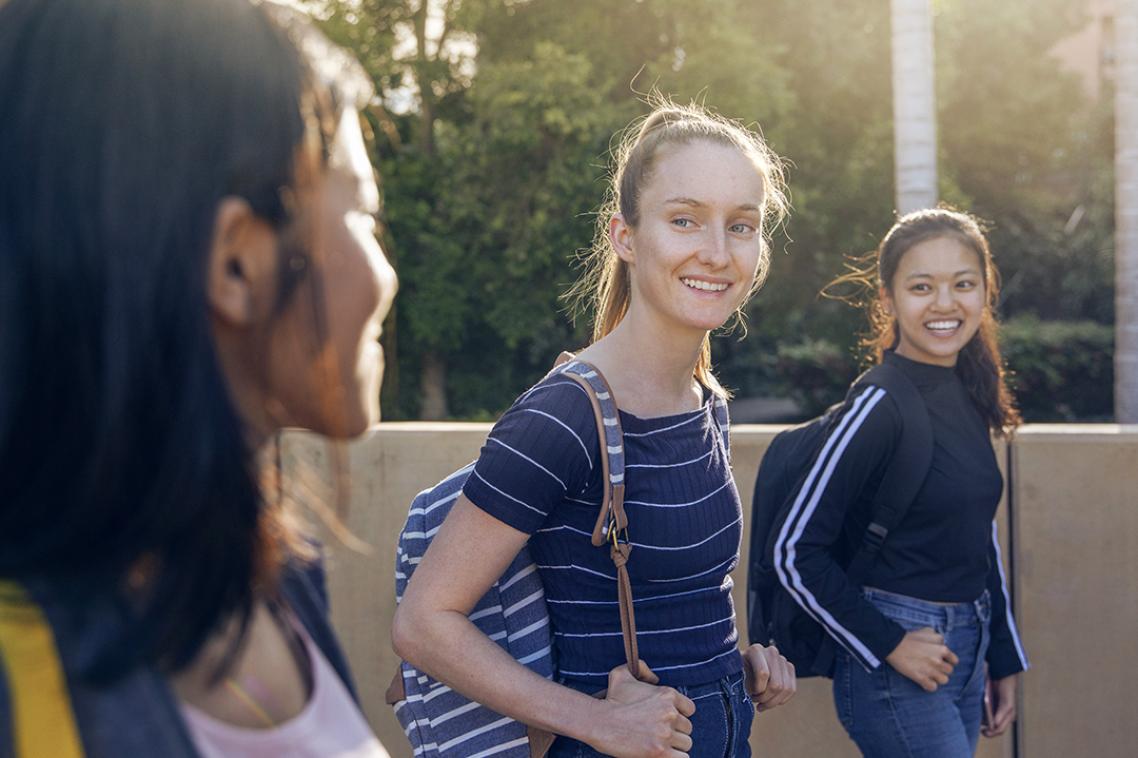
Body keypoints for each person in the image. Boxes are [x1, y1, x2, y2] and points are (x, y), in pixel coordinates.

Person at [0, 1, 397, 755]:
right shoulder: (17, 686)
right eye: (365, 217)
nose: (386, 276)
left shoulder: (274, 578)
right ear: (237, 262)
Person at [392, 101, 797, 758]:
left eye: (742, 225)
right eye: (684, 219)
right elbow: (423, 624)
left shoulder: (705, 398)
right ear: (625, 237)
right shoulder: (564, 417)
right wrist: (595, 721)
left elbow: (677, 595)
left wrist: (734, 663)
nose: (717, 252)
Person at [773, 208, 1029, 756]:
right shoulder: (879, 403)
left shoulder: (968, 389)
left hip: (966, 646)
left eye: (963, 284)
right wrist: (891, 643)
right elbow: (794, 552)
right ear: (887, 299)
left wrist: (1001, 656)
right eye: (921, 287)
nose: (944, 303)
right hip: (898, 659)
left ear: (985, 292)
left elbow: (977, 536)